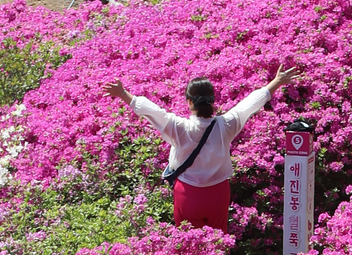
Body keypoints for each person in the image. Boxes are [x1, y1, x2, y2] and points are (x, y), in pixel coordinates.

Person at [104, 65, 303, 232]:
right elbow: (249, 104)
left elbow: (153, 111)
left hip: (188, 194)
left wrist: (123, 93)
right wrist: (277, 82)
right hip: (218, 193)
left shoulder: (179, 127)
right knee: (218, 245)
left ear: (189, 101)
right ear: (213, 101)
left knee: (192, 249)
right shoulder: (226, 124)